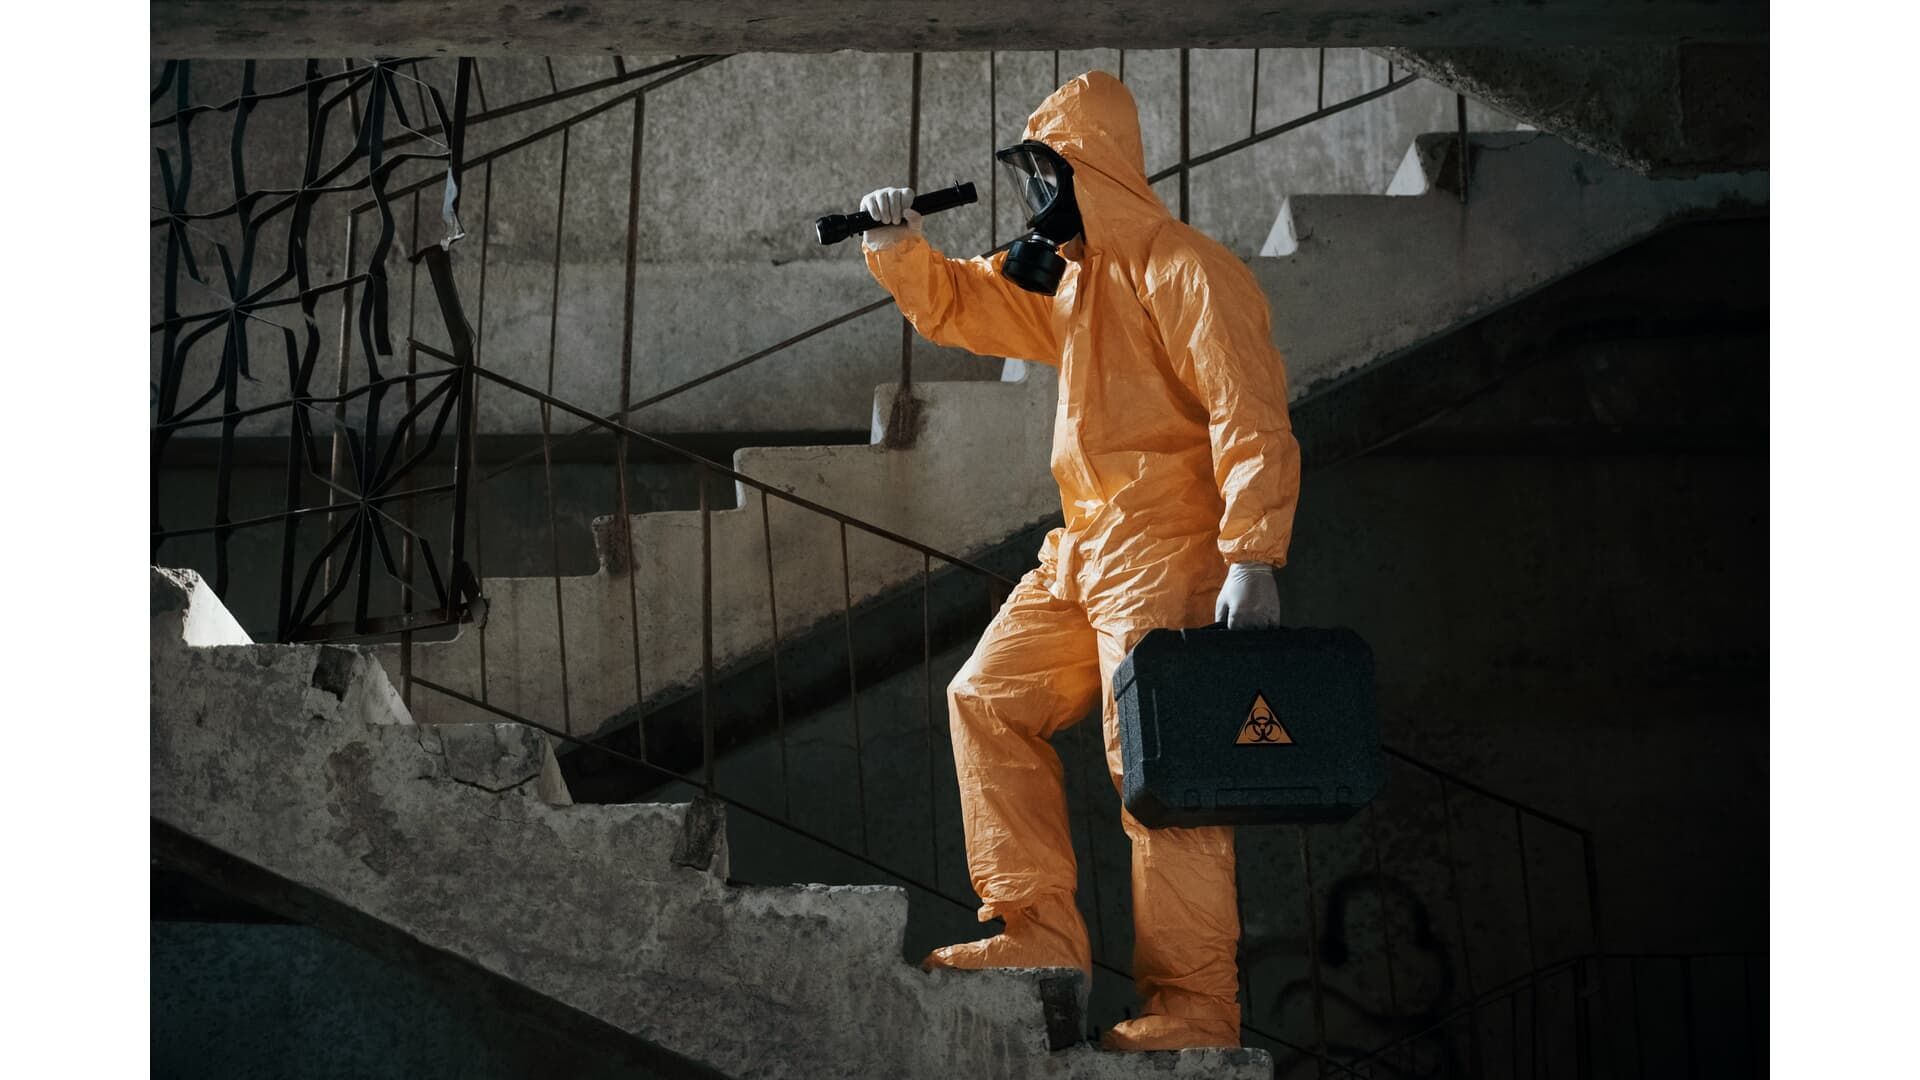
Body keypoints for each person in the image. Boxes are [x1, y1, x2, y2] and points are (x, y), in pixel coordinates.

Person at [858, 70, 1301, 1052]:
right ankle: (1037, 937)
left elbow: (1249, 412)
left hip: (1168, 549)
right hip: (1086, 551)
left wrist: (1252, 554)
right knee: (986, 699)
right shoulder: (1085, 283)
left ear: (1092, 172)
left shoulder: (1188, 270)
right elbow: (968, 308)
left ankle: (1196, 1008)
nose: (1035, 201)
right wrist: (898, 245)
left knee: (1160, 771)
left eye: (1046, 177)